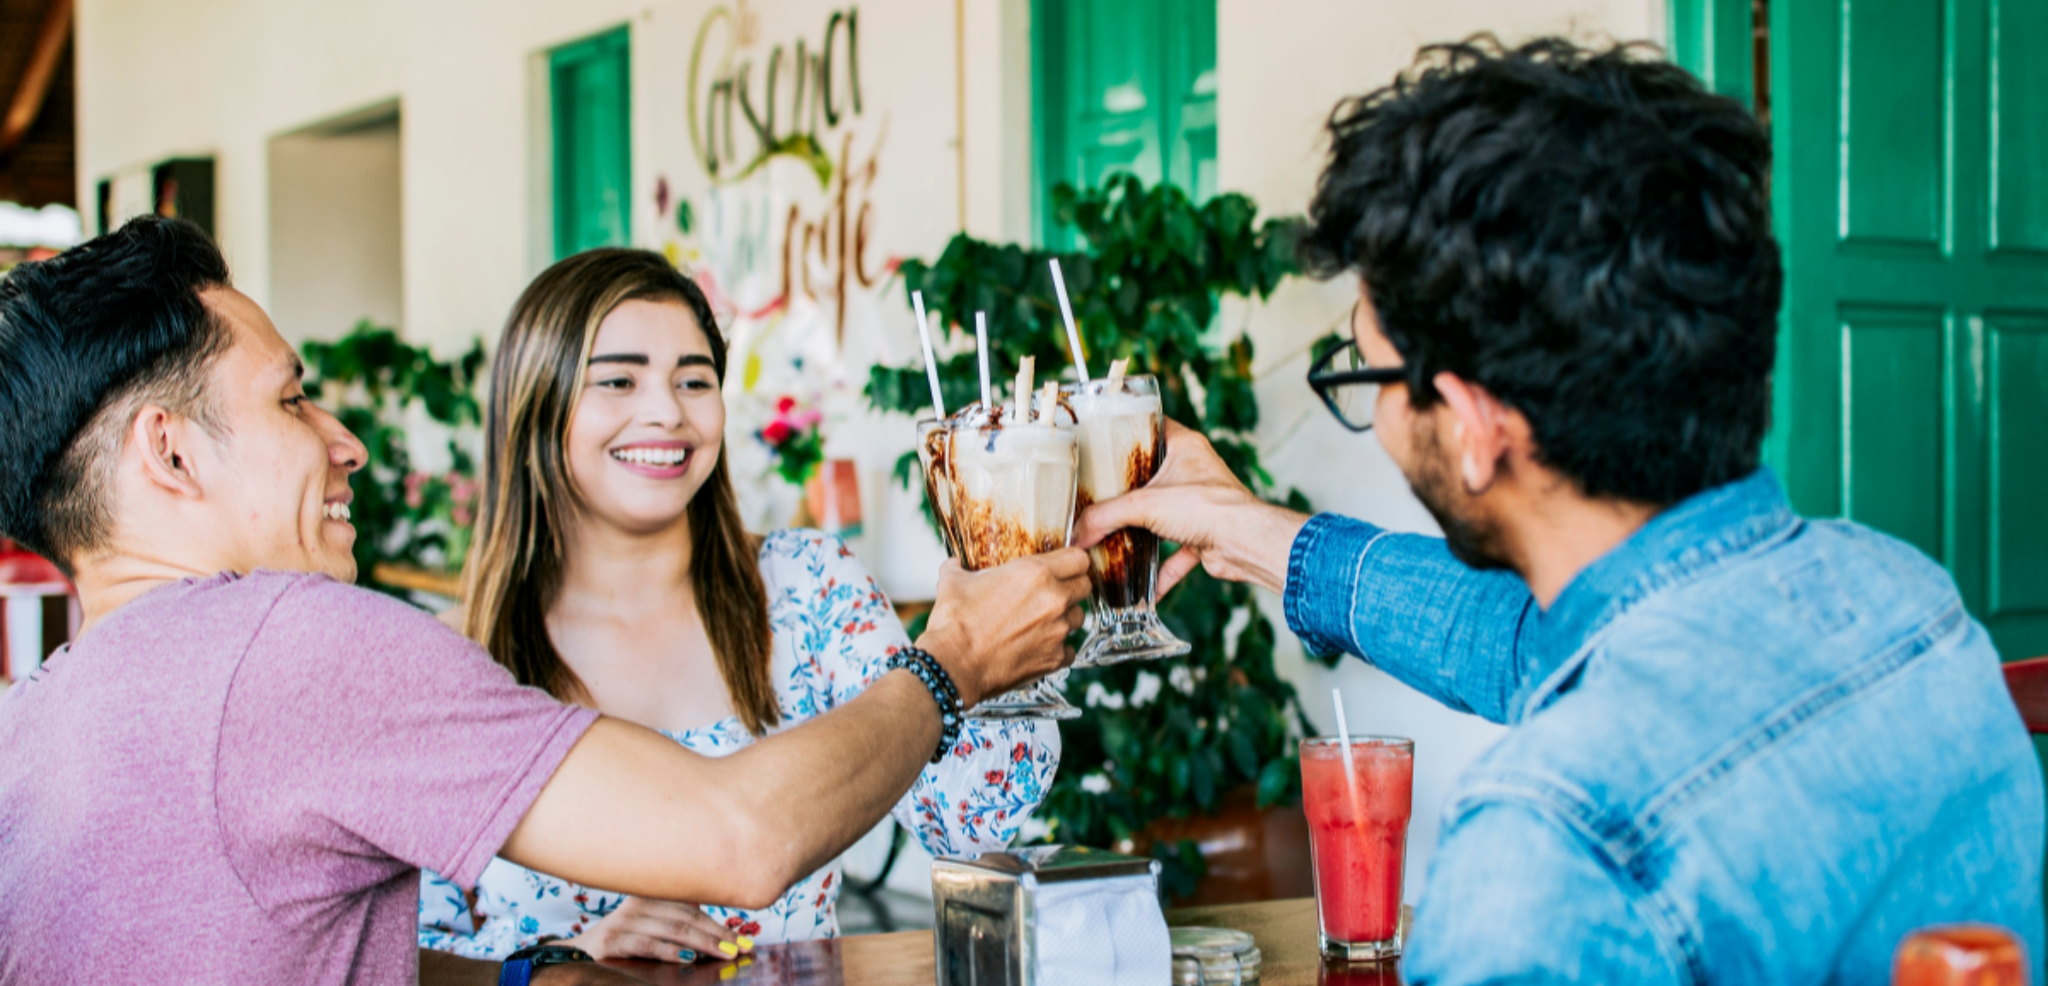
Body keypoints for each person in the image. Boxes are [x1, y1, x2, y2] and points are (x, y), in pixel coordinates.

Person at [1076, 38, 2045, 985]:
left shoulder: (1550, 850)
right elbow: (1524, 642)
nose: (1366, 403)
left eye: (1363, 371)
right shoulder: (1908, 598)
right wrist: (1248, 530)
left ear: (1470, 423)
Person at [0, 216, 1089, 984]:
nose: (349, 440)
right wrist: (950, 661)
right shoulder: (304, 647)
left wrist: (539, 970)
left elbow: (333, 955)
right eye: (292, 396)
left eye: (692, 373)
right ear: (172, 454)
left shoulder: (29, 718)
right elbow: (742, 836)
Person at [414, 249, 1060, 963]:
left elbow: (971, 821)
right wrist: (565, 956)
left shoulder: (808, 589)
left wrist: (1006, 623)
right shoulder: (454, 663)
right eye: (619, 380)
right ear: (538, 404)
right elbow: (404, 953)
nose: (666, 412)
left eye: (695, 380)